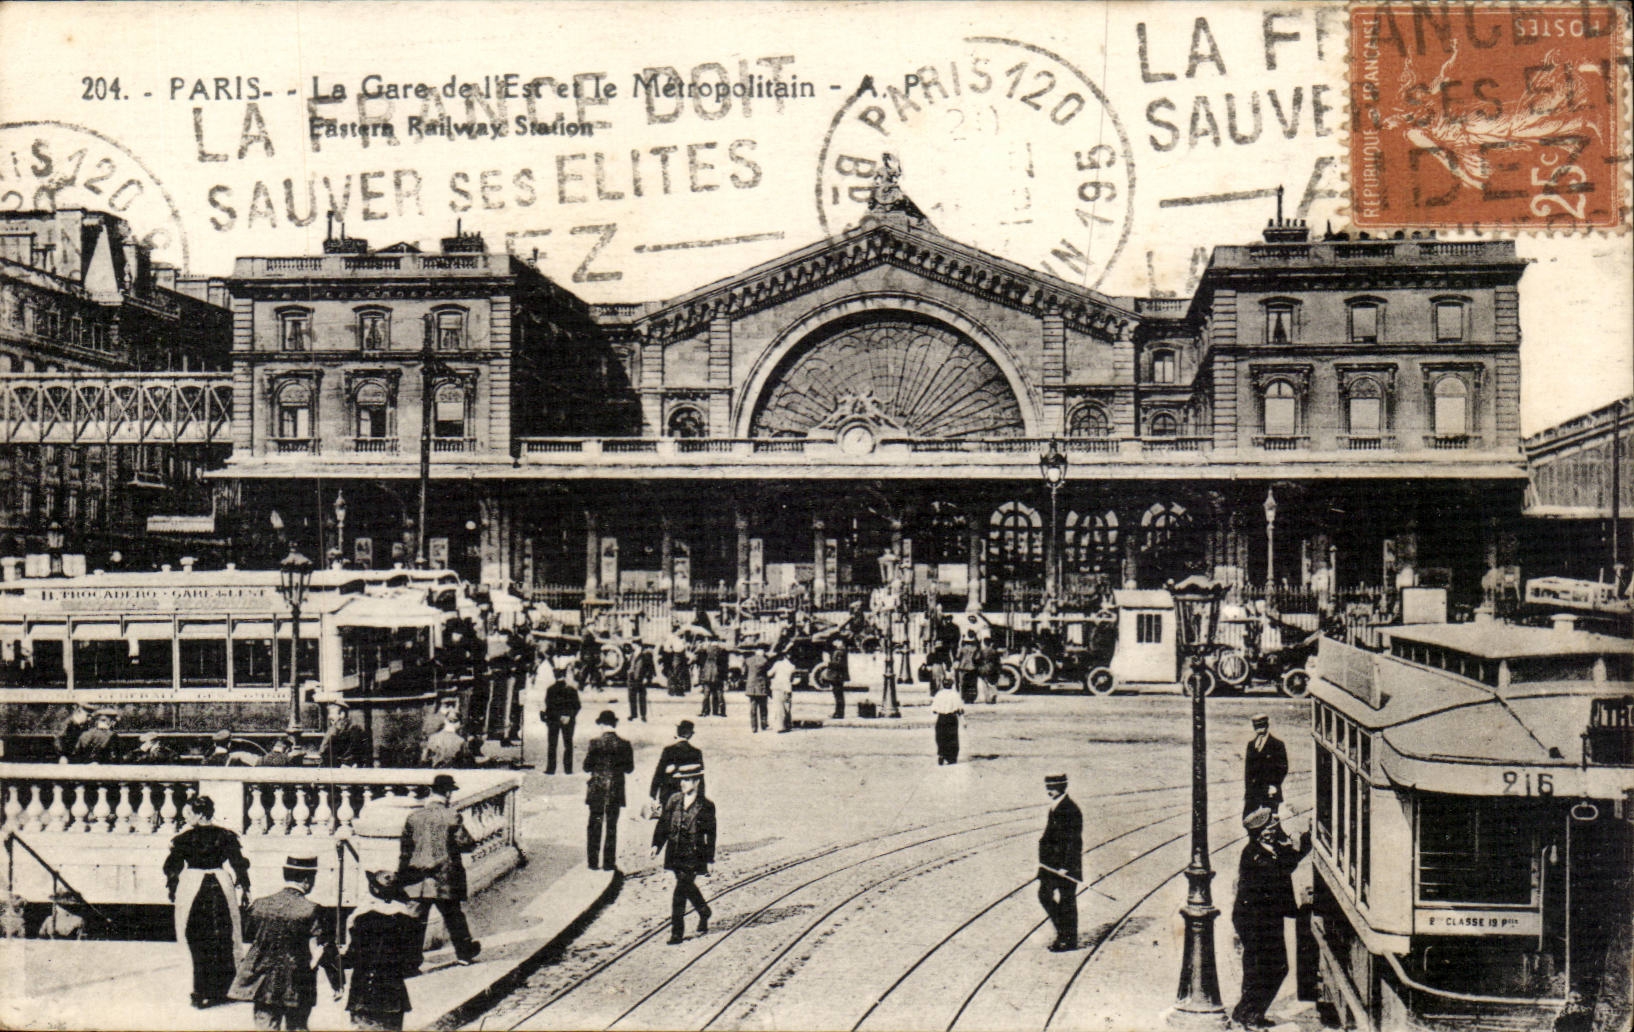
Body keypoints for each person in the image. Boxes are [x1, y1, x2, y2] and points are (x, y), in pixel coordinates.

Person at [228, 854, 340, 1030]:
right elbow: (325, 948)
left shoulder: (260, 905)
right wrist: (337, 982)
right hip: (298, 982)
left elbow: (245, 935)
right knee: (297, 1027)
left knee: (265, 1027)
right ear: (307, 879)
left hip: (263, 982)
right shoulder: (312, 910)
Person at [163, 796, 250, 1008]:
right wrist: (245, 886)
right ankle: (223, 989)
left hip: (194, 886)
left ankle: (201, 990)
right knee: (222, 934)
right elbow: (239, 864)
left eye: (190, 813)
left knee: (198, 936)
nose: (186, 817)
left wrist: (173, 886)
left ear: (201, 814)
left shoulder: (184, 839)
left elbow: (172, 866)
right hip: (220, 884)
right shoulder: (225, 836)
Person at [1231, 808, 1312, 1030]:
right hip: (1256, 924)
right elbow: (1281, 871)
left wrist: (1306, 839)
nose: (1277, 828)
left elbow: (1288, 861)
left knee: (1264, 970)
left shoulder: (1267, 850)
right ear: (1263, 833)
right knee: (1271, 969)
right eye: (1273, 826)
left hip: (1264, 921)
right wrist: (1299, 910)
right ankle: (1249, 1016)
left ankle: (1247, 1013)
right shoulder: (1256, 857)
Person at [398, 774, 481, 965]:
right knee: (454, 918)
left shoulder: (414, 817)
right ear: (448, 793)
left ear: (431, 792)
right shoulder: (452, 816)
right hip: (445, 877)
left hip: (417, 879)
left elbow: (405, 851)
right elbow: (466, 843)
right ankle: (464, 955)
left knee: (414, 922)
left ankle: (410, 963)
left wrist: (403, 878)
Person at [342, 870, 423, 1031]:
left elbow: (350, 957)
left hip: (363, 989)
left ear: (374, 889)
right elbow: (414, 960)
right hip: (393, 991)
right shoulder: (406, 917)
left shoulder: (359, 916)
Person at [650, 762, 716, 945]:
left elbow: (711, 834)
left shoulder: (706, 806)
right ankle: (703, 911)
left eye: (687, 780)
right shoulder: (674, 800)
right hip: (675, 851)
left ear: (696, 782)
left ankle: (677, 933)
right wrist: (656, 845)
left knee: (680, 891)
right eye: (681, 780)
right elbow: (663, 823)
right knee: (686, 886)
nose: (682, 783)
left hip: (694, 854)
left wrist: (710, 859)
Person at [583, 710, 635, 871]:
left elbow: (586, 767)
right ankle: (608, 863)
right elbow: (629, 769)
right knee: (612, 826)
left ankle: (593, 862)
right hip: (616, 789)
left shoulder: (595, 743)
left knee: (594, 824)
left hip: (597, 788)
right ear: (615, 724)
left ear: (602, 725)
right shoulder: (624, 744)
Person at [1037, 774, 1082, 952]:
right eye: (1047, 787)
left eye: (1053, 788)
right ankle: (1064, 932)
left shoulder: (1070, 809)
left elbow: (1073, 841)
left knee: (1067, 901)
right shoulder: (1056, 806)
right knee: (1044, 895)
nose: (1049, 791)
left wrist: (1067, 867)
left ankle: (1068, 939)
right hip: (1051, 866)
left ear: (1062, 787)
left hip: (1065, 867)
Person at [649, 720, 703, 807]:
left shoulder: (669, 750)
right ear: (689, 735)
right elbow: (700, 776)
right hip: (689, 793)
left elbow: (659, 773)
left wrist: (653, 793)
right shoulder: (697, 752)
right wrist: (701, 795)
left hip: (669, 792)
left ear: (678, 732)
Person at [1243, 714, 1288, 816]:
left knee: (1269, 821)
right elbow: (1248, 771)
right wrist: (1247, 790)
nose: (1259, 729)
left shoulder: (1277, 744)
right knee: (1248, 819)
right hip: (1253, 791)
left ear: (1267, 726)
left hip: (1270, 791)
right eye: (1256, 727)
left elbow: (1283, 768)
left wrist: (1275, 785)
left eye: (1262, 726)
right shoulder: (1251, 745)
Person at [543, 664, 581, 775]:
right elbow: (577, 706)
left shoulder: (550, 690)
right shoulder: (571, 690)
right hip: (568, 721)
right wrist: (569, 716)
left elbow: (548, 706)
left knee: (552, 745)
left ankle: (551, 769)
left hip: (553, 720)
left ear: (554, 676)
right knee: (568, 744)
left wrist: (553, 717)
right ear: (564, 676)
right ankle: (568, 769)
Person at [930, 680, 965, 765]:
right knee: (952, 737)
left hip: (941, 718)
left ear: (943, 685)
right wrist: (963, 720)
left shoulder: (939, 695)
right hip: (951, 718)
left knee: (941, 736)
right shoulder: (955, 695)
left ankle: (941, 754)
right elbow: (960, 709)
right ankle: (951, 758)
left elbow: (934, 710)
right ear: (951, 685)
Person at [743, 643, 771, 733]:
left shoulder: (748, 660)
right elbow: (768, 674)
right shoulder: (765, 660)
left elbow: (744, 672)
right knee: (763, 707)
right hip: (762, 686)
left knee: (753, 708)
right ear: (762, 651)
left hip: (751, 686)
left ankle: (754, 727)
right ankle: (764, 724)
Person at [697, 639, 726, 718]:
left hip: (707, 675)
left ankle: (705, 711)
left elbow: (699, 661)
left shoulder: (705, 652)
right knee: (719, 693)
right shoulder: (722, 652)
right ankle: (720, 711)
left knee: (706, 694)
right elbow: (725, 665)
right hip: (718, 675)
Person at [769, 650, 796, 733]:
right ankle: (788, 725)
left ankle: (780, 726)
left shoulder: (777, 664)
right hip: (787, 688)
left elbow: (769, 674)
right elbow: (792, 679)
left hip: (777, 687)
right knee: (787, 707)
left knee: (778, 707)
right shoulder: (792, 666)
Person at [627, 643, 655, 723]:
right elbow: (630, 664)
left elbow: (650, 667)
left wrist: (647, 677)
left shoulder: (645, 655)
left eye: (633, 644)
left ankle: (643, 715)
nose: (632, 645)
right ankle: (633, 714)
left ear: (638, 645)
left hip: (641, 678)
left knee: (642, 697)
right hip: (632, 677)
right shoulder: (633, 654)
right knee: (631, 697)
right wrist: (629, 671)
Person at [954, 632, 980, 705]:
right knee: (973, 684)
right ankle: (971, 697)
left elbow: (958, 657)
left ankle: (964, 697)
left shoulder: (962, 649)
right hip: (973, 667)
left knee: (963, 683)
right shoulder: (975, 649)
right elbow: (977, 658)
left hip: (963, 667)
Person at [977, 637, 1003, 704]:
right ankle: (994, 693)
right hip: (993, 668)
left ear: (984, 643)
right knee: (992, 682)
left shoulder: (982, 651)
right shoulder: (994, 651)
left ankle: (988, 699)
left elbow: (978, 659)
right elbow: (998, 661)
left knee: (985, 683)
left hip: (984, 667)